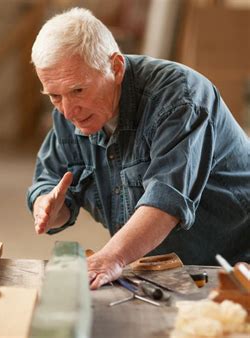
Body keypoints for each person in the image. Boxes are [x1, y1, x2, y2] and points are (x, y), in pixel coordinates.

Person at [27, 8, 249, 289]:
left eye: (78, 91)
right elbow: (48, 182)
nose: (68, 110)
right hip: (170, 267)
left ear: (116, 68)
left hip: (237, 261)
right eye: (54, 96)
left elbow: (166, 200)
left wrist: (111, 258)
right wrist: (47, 207)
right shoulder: (70, 112)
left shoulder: (180, 100)